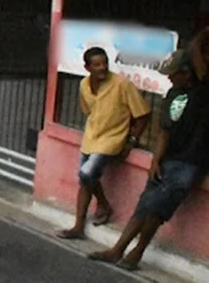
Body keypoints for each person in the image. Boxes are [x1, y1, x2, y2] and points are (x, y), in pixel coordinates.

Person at [88, 49, 209, 271]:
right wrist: (155, 161)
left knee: (157, 209)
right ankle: (119, 249)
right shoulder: (173, 93)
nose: (169, 77)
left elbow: (197, 54)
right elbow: (164, 131)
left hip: (189, 162)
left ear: (187, 73)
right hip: (167, 159)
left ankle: (137, 252)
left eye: (175, 73)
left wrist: (201, 39)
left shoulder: (202, 93)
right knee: (144, 205)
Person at [57, 46, 151, 239]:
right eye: (97, 64)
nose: (102, 68)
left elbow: (143, 114)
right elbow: (88, 110)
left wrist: (131, 140)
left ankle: (104, 205)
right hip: (91, 137)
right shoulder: (84, 85)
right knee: (85, 180)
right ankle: (79, 225)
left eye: (104, 63)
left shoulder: (122, 84)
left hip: (112, 139)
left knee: (85, 174)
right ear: (87, 67)